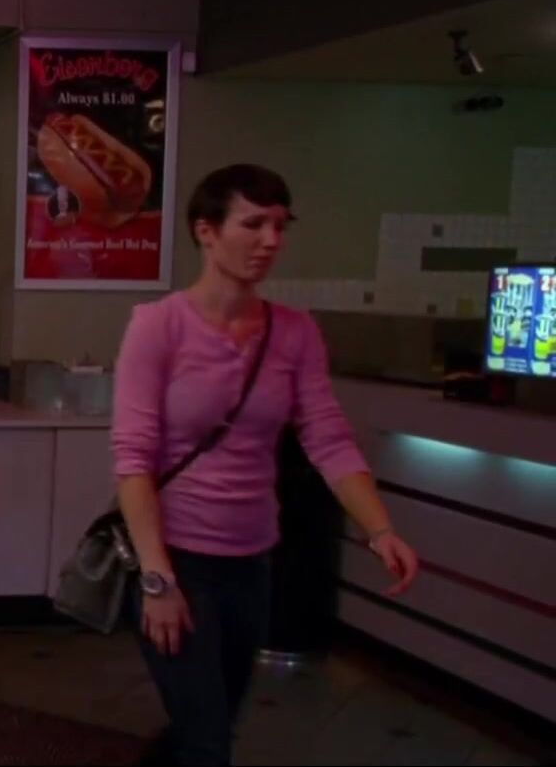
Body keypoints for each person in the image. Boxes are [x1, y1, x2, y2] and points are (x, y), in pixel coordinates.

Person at [111, 164, 421, 767]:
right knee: (206, 741)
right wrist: (158, 580)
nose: (270, 241)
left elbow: (328, 438)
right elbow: (134, 460)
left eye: (280, 226)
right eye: (253, 224)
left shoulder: (294, 333)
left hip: (252, 563)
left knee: (211, 724)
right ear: (206, 231)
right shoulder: (158, 326)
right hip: (176, 560)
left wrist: (379, 528)